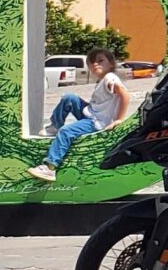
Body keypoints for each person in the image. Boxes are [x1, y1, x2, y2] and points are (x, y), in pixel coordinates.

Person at [27, 48, 127, 182]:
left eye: (100, 61)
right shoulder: (102, 80)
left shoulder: (110, 77)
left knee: (66, 132)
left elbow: (125, 95)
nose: (95, 64)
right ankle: (54, 126)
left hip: (96, 122)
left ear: (111, 64)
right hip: (90, 114)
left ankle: (50, 167)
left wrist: (119, 119)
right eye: (92, 62)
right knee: (69, 98)